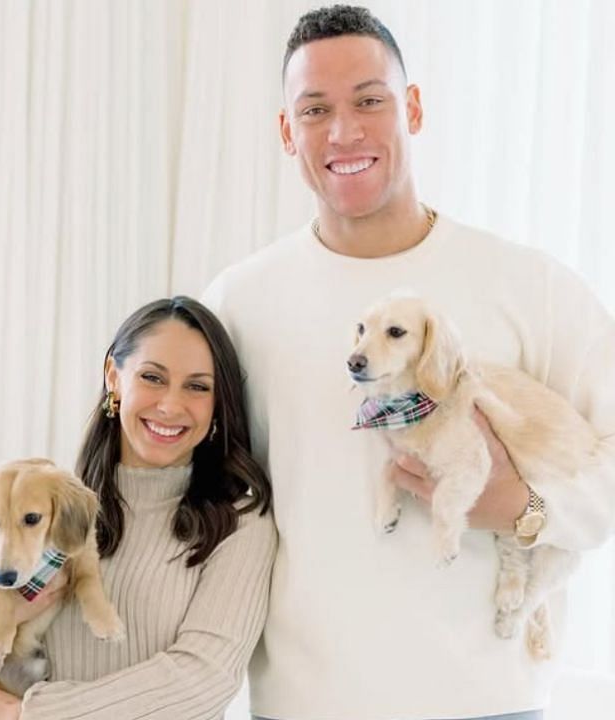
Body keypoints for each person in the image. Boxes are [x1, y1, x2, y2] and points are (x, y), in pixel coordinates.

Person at [201, 5, 615, 720]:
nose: (344, 131)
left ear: (413, 108)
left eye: (369, 101)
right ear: (285, 132)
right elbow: (193, 502)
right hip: (305, 706)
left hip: (490, 705)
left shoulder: (530, 286)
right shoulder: (239, 303)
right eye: (315, 109)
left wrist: (523, 508)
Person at [0, 296, 277, 719]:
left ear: (217, 403)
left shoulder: (239, 522)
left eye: (197, 386)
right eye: (152, 377)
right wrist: (4, 619)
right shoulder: (45, 507)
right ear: (113, 377)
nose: (170, 405)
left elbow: (203, 678)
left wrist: (27, 714)